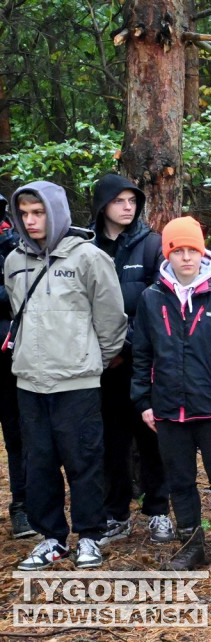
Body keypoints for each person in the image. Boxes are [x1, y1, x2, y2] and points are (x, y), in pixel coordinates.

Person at [6, 182, 127, 570]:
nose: (30, 220)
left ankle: (90, 535)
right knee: (38, 463)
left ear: (55, 211)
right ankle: (52, 538)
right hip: (29, 381)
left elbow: (111, 320)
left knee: (84, 460)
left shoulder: (89, 257)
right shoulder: (14, 261)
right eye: (24, 213)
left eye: (38, 212)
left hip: (77, 382)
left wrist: (92, 359)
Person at [131, 216, 211, 579]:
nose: (186, 258)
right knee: (180, 481)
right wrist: (144, 402)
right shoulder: (152, 298)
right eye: (178, 250)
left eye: (192, 250)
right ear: (167, 253)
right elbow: (142, 354)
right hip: (168, 409)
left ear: (202, 252)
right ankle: (191, 547)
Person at [89, 174, 173, 547]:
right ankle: (115, 515)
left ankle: (158, 512)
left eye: (132, 201)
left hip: (142, 363)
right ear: (102, 205)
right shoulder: (85, 247)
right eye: (119, 200)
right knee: (111, 443)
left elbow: (158, 306)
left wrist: (126, 347)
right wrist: (106, 352)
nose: (127, 207)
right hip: (101, 368)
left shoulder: (152, 245)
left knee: (152, 439)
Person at [0, 194, 33, 539]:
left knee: (18, 438)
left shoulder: (13, 241)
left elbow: (18, 296)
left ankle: (22, 507)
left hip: (9, 355)